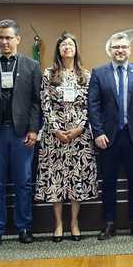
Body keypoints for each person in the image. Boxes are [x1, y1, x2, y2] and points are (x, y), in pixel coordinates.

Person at [0, 19, 42, 246]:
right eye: (0, 37)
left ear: (17, 39)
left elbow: (36, 102)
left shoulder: (31, 66)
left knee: (24, 182)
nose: (4, 41)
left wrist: (34, 129)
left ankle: (24, 228)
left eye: (8, 37)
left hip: (22, 133)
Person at [88, 32, 133, 239]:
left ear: (129, 50)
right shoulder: (99, 73)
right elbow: (93, 105)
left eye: (124, 47)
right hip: (108, 138)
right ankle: (109, 224)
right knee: (108, 182)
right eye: (116, 47)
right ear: (110, 50)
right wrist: (98, 132)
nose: (120, 50)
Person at [35, 32, 97, 242]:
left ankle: (74, 223)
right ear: (59, 50)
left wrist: (79, 127)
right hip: (55, 138)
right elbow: (45, 103)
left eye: (70, 44)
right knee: (56, 179)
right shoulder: (49, 73)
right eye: (63, 45)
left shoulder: (85, 75)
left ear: (76, 49)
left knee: (76, 179)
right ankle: (58, 224)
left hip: (79, 137)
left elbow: (90, 104)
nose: (67, 47)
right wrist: (55, 129)